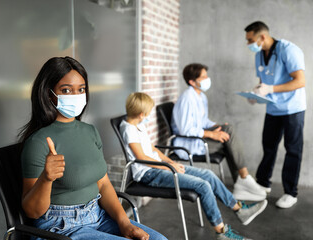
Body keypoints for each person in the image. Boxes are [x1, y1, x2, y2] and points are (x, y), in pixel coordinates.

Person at [19, 56, 167, 240]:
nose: (76, 96)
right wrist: (46, 179)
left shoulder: (90, 132)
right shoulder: (38, 142)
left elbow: (103, 184)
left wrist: (125, 223)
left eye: (81, 89)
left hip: (98, 216)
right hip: (60, 227)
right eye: (66, 90)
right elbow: (32, 212)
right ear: (50, 94)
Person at [120, 92, 267, 240]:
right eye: (148, 113)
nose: (149, 115)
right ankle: (222, 233)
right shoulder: (128, 129)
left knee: (208, 175)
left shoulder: (139, 126)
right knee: (203, 186)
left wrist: (171, 163)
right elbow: (142, 158)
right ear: (141, 114)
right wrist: (168, 167)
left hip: (160, 167)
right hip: (149, 173)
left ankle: (238, 209)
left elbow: (153, 150)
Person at [171, 63, 267, 201]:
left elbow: (203, 121)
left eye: (206, 75)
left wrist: (217, 126)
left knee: (227, 131)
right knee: (228, 138)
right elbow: (185, 129)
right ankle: (243, 179)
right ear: (192, 81)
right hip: (187, 143)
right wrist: (212, 134)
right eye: (203, 76)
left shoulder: (201, 97)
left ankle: (242, 183)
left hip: (197, 137)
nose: (207, 78)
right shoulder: (187, 98)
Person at [244, 21, 306, 208]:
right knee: (268, 146)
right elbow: (263, 81)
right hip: (273, 108)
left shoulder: (289, 50)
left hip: (292, 109)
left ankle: (290, 192)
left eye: (250, 40)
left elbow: (300, 81)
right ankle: (263, 184)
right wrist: (256, 93)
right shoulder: (259, 55)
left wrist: (271, 88)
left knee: (292, 149)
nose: (248, 44)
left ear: (262, 37)